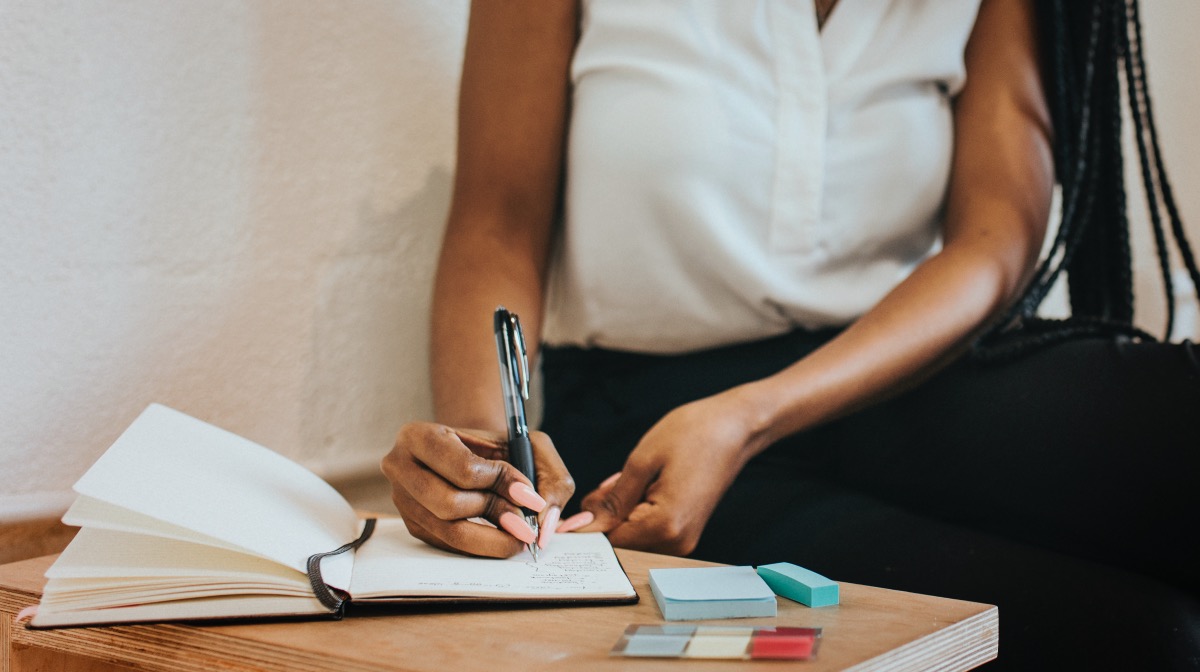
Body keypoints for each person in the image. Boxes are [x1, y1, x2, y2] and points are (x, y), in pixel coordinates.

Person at [382, 0, 1200, 667]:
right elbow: (498, 225)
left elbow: (997, 242)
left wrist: (749, 415)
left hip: (901, 369)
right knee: (1138, 638)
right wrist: (482, 469)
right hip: (654, 436)